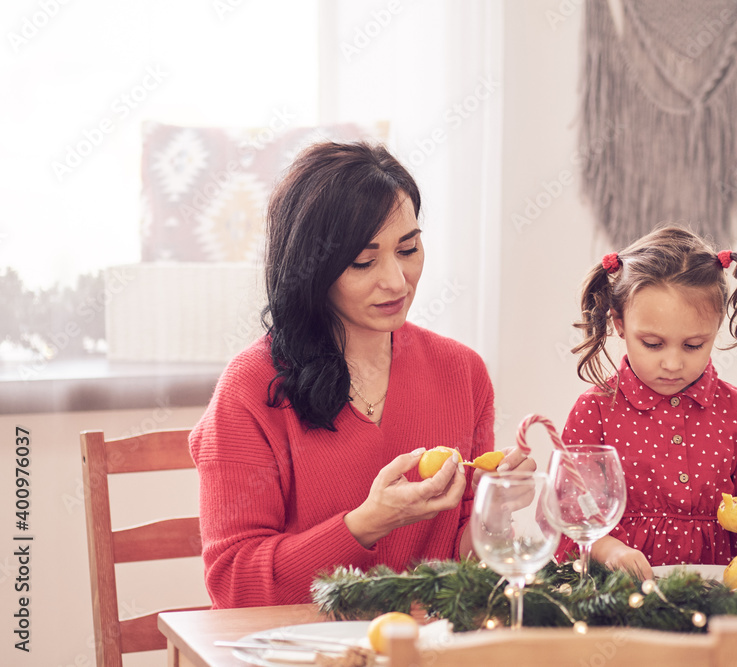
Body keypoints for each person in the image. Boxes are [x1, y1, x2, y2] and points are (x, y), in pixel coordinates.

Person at [190, 141, 532, 608]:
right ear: (313, 269)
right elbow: (234, 585)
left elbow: (464, 568)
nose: (396, 281)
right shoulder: (251, 388)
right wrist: (368, 523)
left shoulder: (462, 373)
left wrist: (495, 509)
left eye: (408, 248)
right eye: (363, 262)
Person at [562, 226, 737, 580]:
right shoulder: (595, 411)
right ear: (619, 323)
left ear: (717, 326)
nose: (673, 364)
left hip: (713, 594)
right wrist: (609, 549)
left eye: (693, 345)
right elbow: (570, 514)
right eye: (653, 343)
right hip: (617, 598)